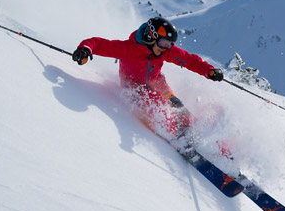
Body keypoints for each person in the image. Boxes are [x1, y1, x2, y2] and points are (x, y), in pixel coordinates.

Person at [72, 17, 223, 139]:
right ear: (152, 36)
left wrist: (209, 71)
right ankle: (176, 137)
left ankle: (197, 135)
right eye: (164, 43)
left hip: (158, 83)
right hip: (134, 88)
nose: (167, 48)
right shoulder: (128, 49)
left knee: (180, 109)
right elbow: (99, 44)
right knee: (161, 111)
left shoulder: (165, 51)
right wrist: (85, 49)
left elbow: (190, 60)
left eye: (170, 44)